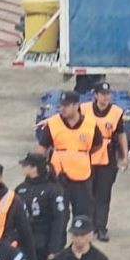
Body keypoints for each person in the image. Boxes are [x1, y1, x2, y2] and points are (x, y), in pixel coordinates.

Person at [35, 91, 103, 219]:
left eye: (66, 105)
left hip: (82, 178)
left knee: (83, 216)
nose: (62, 109)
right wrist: (40, 170)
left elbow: (97, 145)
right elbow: (42, 149)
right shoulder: (53, 124)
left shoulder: (90, 124)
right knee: (58, 217)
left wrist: (81, 154)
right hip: (58, 178)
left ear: (77, 106)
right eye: (61, 106)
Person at [14, 152, 68, 260]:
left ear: (34, 168)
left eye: (25, 165)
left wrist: (54, 248)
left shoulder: (53, 189)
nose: (22, 168)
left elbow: (59, 220)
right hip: (25, 239)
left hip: (44, 239)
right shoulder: (21, 189)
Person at [81, 82, 129, 242]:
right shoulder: (84, 109)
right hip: (87, 157)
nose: (105, 97)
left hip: (107, 158)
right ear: (95, 95)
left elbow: (121, 134)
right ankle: (87, 226)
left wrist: (125, 156)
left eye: (108, 94)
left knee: (103, 194)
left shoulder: (116, 112)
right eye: (102, 94)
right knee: (87, 194)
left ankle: (101, 227)